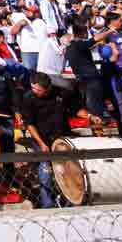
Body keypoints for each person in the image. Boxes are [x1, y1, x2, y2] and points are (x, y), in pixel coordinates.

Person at [19, 73, 96, 208]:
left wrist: (90, 116)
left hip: (62, 138)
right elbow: (29, 124)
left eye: (38, 90)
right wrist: (42, 144)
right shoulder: (28, 98)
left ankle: (71, 200)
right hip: (42, 139)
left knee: (69, 171)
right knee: (45, 172)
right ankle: (47, 204)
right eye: (33, 88)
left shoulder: (62, 93)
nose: (34, 91)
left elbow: (75, 109)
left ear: (48, 88)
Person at [64, 23, 114, 121]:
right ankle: (99, 127)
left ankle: (97, 126)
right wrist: (110, 30)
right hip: (91, 79)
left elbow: (87, 47)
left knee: (91, 105)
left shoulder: (71, 46)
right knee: (95, 106)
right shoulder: (80, 44)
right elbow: (95, 39)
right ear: (83, 34)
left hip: (82, 79)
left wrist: (97, 44)